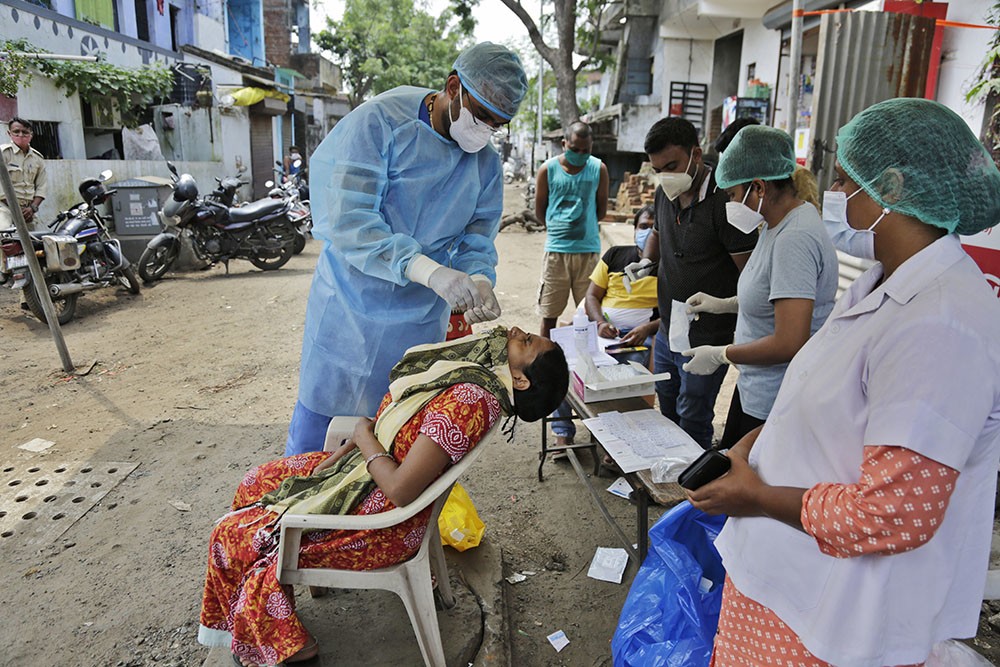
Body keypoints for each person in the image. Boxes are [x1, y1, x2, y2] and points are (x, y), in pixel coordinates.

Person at [688, 98, 1000, 667]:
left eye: (846, 180)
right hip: (783, 580)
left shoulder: (942, 323)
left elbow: (892, 513)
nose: (833, 190)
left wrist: (754, 496)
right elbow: (824, 397)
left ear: (893, 187)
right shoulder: (885, 281)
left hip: (829, 614)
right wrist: (752, 446)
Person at [199, 326, 569, 666]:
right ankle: (274, 603)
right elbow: (401, 432)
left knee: (233, 536)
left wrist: (362, 437)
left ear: (519, 379)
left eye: (525, 342)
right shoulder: (472, 381)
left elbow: (400, 490)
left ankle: (295, 647)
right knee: (255, 483)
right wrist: (351, 449)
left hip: (382, 523)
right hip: (366, 478)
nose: (516, 331)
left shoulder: (469, 400)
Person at [285, 43, 528, 456]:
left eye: (497, 124)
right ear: (453, 87)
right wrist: (428, 271)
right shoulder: (381, 123)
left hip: (418, 321)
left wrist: (480, 278)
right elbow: (350, 220)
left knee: (395, 429)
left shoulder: (485, 164)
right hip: (349, 305)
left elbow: (477, 237)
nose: (486, 129)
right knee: (319, 438)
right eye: (482, 115)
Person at [681, 126, 838, 449]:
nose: (730, 204)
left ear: (758, 187)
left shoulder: (795, 238)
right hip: (756, 387)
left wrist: (721, 354)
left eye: (732, 195)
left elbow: (789, 341)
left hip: (776, 400)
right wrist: (723, 304)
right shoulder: (775, 224)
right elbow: (776, 294)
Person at [628, 117, 757, 448]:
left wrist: (729, 308)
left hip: (708, 334)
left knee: (694, 414)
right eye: (658, 169)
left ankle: (695, 476)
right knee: (668, 405)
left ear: (696, 154)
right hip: (669, 328)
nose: (665, 176)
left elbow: (752, 275)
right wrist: (646, 261)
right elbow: (657, 232)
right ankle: (675, 469)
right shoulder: (665, 192)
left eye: (671, 166)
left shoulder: (726, 200)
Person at [550, 205, 659, 449]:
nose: (648, 232)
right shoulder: (615, 255)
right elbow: (591, 296)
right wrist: (600, 323)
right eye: (643, 226)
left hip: (640, 338)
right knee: (564, 363)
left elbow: (670, 313)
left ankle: (618, 439)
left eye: (653, 227)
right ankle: (563, 431)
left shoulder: (669, 265)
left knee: (627, 373)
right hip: (602, 331)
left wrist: (646, 329)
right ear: (634, 230)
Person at [535, 120, 609, 339]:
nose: (580, 155)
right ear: (564, 143)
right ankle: (545, 357)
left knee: (590, 314)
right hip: (556, 253)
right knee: (549, 315)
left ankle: (588, 358)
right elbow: (540, 211)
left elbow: (601, 211)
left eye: (586, 150)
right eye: (575, 149)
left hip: (588, 252)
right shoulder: (548, 169)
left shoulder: (599, 169)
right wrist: (560, 229)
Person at [0, 117, 47, 229]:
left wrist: (32, 208)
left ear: (31, 135)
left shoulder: (37, 158)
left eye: (25, 132)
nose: (21, 135)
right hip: (4, 207)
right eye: (16, 131)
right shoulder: (3, 153)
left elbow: (42, 187)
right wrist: (16, 208)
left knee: (34, 238)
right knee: (5, 234)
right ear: (9, 133)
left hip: (28, 210)